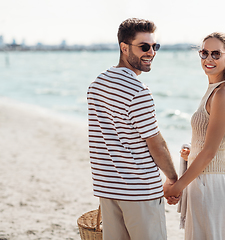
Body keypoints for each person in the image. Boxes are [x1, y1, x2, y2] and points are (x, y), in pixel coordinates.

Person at [87, 18, 179, 240]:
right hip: (140, 190)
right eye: (144, 47)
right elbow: (155, 143)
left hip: (108, 188)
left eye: (154, 46)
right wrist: (173, 178)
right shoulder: (138, 92)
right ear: (124, 47)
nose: (151, 52)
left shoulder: (97, 84)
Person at [164, 32, 225, 240]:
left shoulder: (224, 93)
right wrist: (193, 152)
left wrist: (176, 187)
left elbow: (211, 152)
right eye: (204, 53)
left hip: (210, 182)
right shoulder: (216, 90)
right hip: (204, 178)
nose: (208, 59)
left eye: (215, 54)